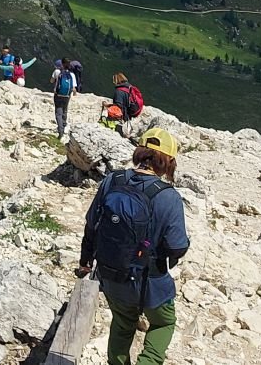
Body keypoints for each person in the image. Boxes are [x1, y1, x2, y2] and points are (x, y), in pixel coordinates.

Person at [77, 128, 189, 365]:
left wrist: (85, 259)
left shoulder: (112, 180)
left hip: (111, 274)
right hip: (150, 281)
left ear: (140, 152)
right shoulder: (168, 197)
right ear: (168, 161)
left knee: (122, 323)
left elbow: (91, 224)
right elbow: (177, 246)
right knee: (163, 323)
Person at [113, 73, 145, 138]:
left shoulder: (119, 91)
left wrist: (108, 106)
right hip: (132, 110)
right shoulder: (129, 87)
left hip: (125, 115)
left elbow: (118, 105)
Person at [52, 58, 78, 137]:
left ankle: (60, 131)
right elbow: (74, 88)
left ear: (62, 64)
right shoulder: (72, 74)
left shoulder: (57, 72)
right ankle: (63, 125)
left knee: (58, 113)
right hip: (67, 95)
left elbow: (51, 81)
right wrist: (74, 93)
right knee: (65, 110)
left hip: (58, 95)